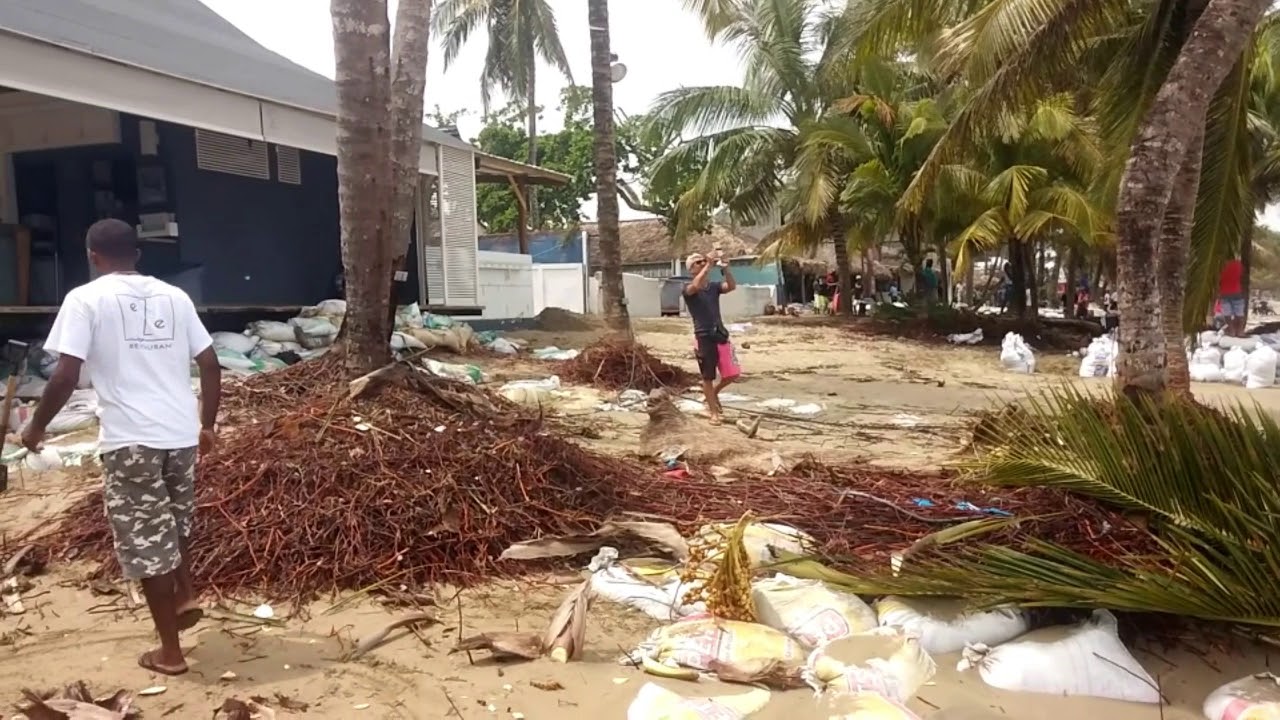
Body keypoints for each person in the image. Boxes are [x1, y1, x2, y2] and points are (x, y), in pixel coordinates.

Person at [21, 218, 221, 676]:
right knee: (174, 520)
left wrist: (35, 429)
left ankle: (169, 653)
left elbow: (66, 376)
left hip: (131, 439)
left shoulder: (84, 299)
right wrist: (207, 424)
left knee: (145, 539)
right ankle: (186, 593)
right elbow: (210, 365)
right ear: (138, 254)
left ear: (93, 256)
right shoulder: (176, 297)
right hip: (179, 434)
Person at [684, 251, 740, 425]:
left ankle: (713, 394)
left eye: (703, 261)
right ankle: (713, 412)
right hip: (704, 336)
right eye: (698, 262)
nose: (702, 264)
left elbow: (731, 286)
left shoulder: (714, 287)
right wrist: (709, 264)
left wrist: (726, 269)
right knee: (708, 377)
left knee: (733, 373)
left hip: (720, 334)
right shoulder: (688, 289)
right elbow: (696, 285)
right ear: (691, 269)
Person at [1218, 257, 1246, 336]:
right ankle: (1240, 331)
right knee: (1239, 314)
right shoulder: (1238, 264)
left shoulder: (1219, 265)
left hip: (1224, 292)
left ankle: (1231, 330)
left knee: (1227, 314)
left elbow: (1218, 279)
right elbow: (1242, 275)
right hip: (1237, 292)